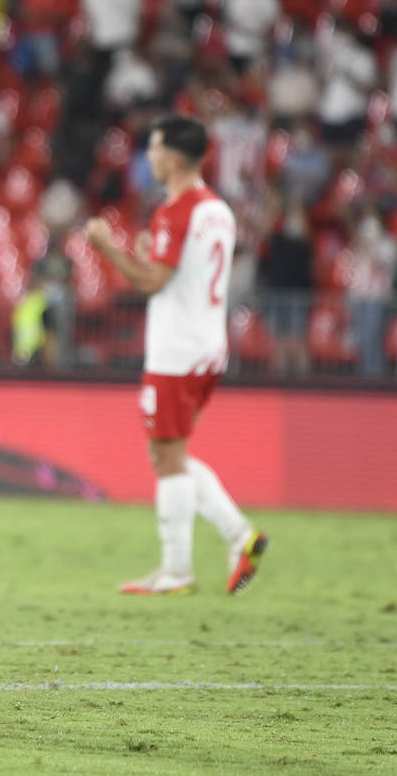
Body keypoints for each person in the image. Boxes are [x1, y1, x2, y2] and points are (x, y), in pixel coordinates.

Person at [85, 115, 268, 595]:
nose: (149, 157)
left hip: (176, 349)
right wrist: (150, 251)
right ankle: (238, 537)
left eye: (154, 148)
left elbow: (153, 282)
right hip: (208, 345)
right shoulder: (218, 209)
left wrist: (107, 248)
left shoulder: (175, 210)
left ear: (173, 157)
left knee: (166, 456)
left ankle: (179, 569)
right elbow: (186, 271)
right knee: (171, 451)